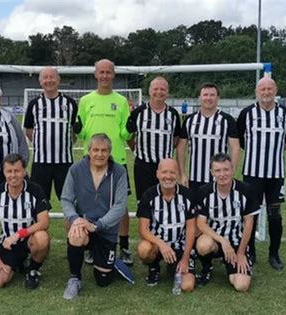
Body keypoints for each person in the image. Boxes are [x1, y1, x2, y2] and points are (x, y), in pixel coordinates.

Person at [75, 59, 133, 265]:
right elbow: (82, 133)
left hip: (116, 159)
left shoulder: (122, 101)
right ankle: (91, 246)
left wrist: (130, 127)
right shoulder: (85, 100)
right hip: (91, 159)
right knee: (90, 204)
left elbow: (125, 133)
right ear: (95, 74)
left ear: (114, 74)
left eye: (109, 72)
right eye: (102, 72)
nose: (105, 76)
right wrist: (77, 129)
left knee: (121, 205)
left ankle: (124, 246)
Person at [237, 77, 286, 271]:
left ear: (275, 90)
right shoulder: (247, 114)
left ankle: (274, 254)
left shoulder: (285, 114)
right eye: (262, 89)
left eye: (270, 88)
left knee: (275, 215)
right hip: (252, 173)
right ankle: (250, 252)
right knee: (250, 214)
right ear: (256, 91)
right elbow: (241, 140)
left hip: (276, 173)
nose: (266, 92)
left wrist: (274, 151)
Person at [61, 134, 128, 300]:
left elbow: (120, 206)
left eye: (104, 150)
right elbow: (66, 199)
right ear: (89, 151)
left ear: (110, 152)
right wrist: (74, 219)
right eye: (96, 150)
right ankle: (74, 279)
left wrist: (98, 225)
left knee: (103, 280)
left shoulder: (119, 172)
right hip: (83, 225)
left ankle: (110, 263)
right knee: (76, 235)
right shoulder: (76, 170)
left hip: (106, 230)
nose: (100, 154)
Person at [0, 153, 51, 290]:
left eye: (17, 171)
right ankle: (18, 263)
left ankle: (33, 269)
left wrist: (19, 234)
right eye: (9, 171)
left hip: (28, 239)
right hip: (7, 244)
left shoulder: (35, 190)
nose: (13, 175)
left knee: (42, 238)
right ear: (4, 172)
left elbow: (44, 223)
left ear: (24, 171)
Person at [196, 153, 260, 292]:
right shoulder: (204, 191)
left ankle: (234, 264)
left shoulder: (246, 190)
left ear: (232, 170)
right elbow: (201, 224)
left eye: (226, 169)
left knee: (241, 286)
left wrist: (241, 252)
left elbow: (249, 223)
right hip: (215, 240)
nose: (222, 174)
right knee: (203, 245)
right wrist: (223, 241)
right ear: (212, 172)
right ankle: (207, 268)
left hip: (236, 242)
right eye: (218, 170)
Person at [137, 159, 197, 292]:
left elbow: (191, 229)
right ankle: (154, 267)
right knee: (143, 249)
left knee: (187, 286)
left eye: (172, 172)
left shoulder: (187, 195)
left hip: (179, 245)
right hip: (157, 245)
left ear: (177, 174)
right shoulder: (148, 195)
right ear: (157, 174)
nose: (168, 176)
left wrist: (185, 258)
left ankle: (174, 266)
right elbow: (143, 229)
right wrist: (161, 244)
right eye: (164, 172)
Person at [24, 67, 78, 201]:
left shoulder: (70, 103)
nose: (49, 80)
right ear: (40, 81)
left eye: (52, 77)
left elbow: (73, 130)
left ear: (58, 79)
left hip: (64, 163)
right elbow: (29, 131)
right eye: (45, 78)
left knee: (69, 202)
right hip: (41, 163)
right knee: (38, 203)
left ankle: (73, 223)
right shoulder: (34, 104)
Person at [126, 76, 181, 204]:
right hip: (143, 165)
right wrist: (136, 150)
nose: (159, 92)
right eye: (156, 88)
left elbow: (176, 137)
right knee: (144, 202)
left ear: (167, 92)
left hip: (165, 167)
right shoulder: (138, 113)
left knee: (166, 200)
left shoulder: (173, 114)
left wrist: (167, 151)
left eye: (163, 89)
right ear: (150, 91)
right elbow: (129, 136)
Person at [177, 82, 240, 192]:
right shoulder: (189, 120)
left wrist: (231, 172)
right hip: (194, 178)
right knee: (196, 209)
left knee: (217, 208)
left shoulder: (227, 120)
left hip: (219, 178)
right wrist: (182, 174)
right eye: (205, 95)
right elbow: (181, 148)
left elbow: (235, 147)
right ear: (199, 98)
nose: (208, 98)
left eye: (212, 95)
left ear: (218, 98)